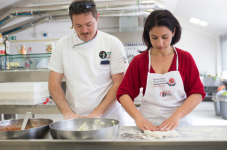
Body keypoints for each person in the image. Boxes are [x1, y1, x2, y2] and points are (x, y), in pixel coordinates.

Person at [117, 10, 206, 131]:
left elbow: (197, 93)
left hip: (179, 124)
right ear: (148, 34)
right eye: (154, 37)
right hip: (148, 125)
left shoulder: (185, 58)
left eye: (165, 37)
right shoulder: (139, 61)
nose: (160, 43)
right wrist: (138, 118)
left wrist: (176, 116)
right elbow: (124, 93)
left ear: (173, 32)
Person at [48, 0, 128, 126]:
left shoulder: (112, 43)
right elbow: (54, 83)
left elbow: (119, 82)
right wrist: (67, 112)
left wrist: (98, 113)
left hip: (108, 117)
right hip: (75, 117)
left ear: (97, 18)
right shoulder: (62, 44)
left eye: (89, 24)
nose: (84, 30)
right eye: (78, 26)